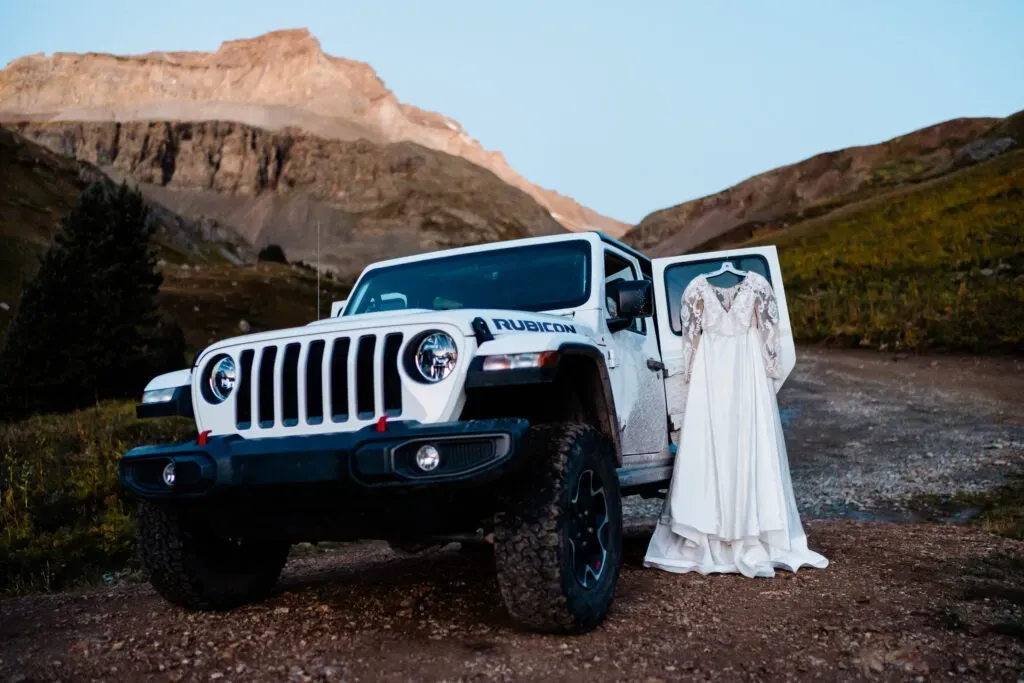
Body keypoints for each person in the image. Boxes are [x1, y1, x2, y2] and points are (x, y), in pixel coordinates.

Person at [644, 270, 828, 578]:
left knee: (738, 444)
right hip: (726, 376)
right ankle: (733, 531)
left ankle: (734, 532)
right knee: (728, 446)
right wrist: (769, 369)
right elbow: (767, 340)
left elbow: (694, 345)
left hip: (735, 375)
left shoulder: (753, 286)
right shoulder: (699, 290)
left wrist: (692, 373)